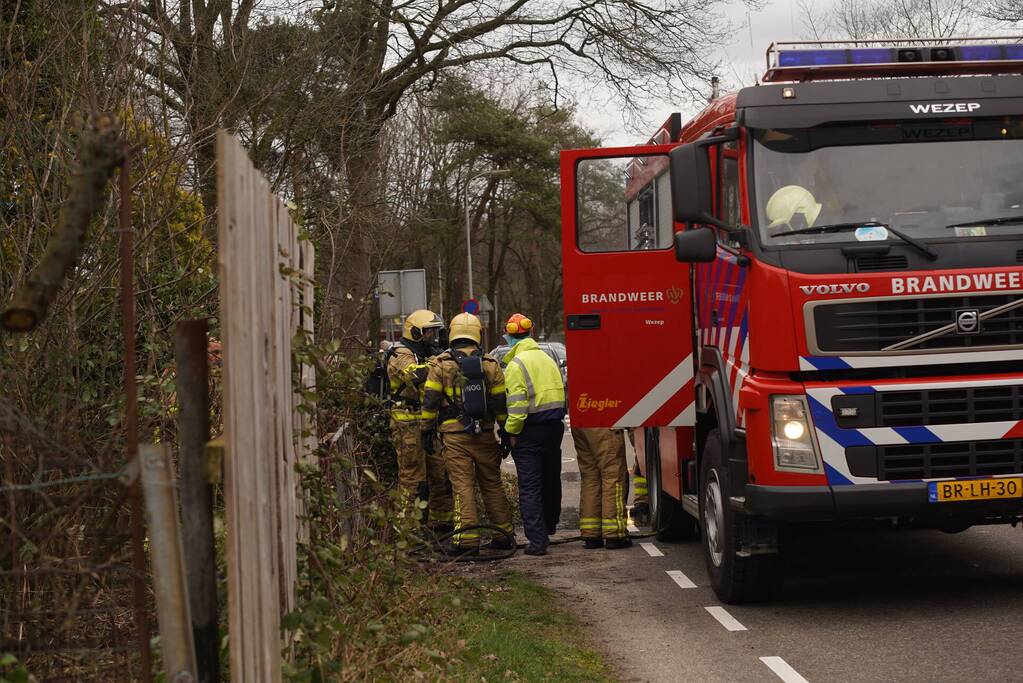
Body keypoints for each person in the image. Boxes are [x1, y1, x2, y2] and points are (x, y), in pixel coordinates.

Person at [420, 313, 514, 554]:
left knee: (462, 486)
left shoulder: (441, 364)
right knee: (492, 484)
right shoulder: (491, 364)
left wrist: (426, 431)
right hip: (484, 435)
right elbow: (500, 404)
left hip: (454, 437)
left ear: (452, 333)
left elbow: (430, 402)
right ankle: (504, 535)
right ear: (476, 333)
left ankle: (467, 541)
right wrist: (504, 432)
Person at [501, 313, 566, 556]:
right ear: (531, 332)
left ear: (509, 336)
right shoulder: (547, 358)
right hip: (554, 428)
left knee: (530, 486)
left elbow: (516, 407)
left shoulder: (516, 365)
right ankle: (549, 526)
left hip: (528, 431)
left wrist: (511, 432)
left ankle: (537, 542)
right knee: (551, 480)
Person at [386, 309, 454, 530]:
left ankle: (441, 523)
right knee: (412, 476)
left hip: (427, 422)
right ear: (415, 332)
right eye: (428, 332)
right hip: (406, 423)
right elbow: (415, 375)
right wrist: (440, 362)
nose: (432, 337)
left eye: (434, 332)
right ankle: (408, 530)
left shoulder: (426, 353)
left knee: (440, 472)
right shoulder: (400, 354)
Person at [573, 428, 631, 549]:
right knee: (612, 476)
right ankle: (614, 533)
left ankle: (591, 533)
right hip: (603, 422)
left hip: (581, 423)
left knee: (590, 478)